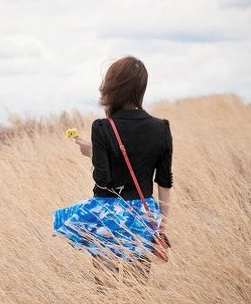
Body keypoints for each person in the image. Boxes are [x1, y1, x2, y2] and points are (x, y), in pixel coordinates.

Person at [53, 55, 173, 286]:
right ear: (141, 88)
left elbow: (103, 180)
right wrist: (160, 226)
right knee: (137, 290)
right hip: (143, 216)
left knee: (106, 291)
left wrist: (94, 154)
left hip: (108, 216)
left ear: (111, 87)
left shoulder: (103, 127)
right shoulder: (161, 128)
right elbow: (165, 183)